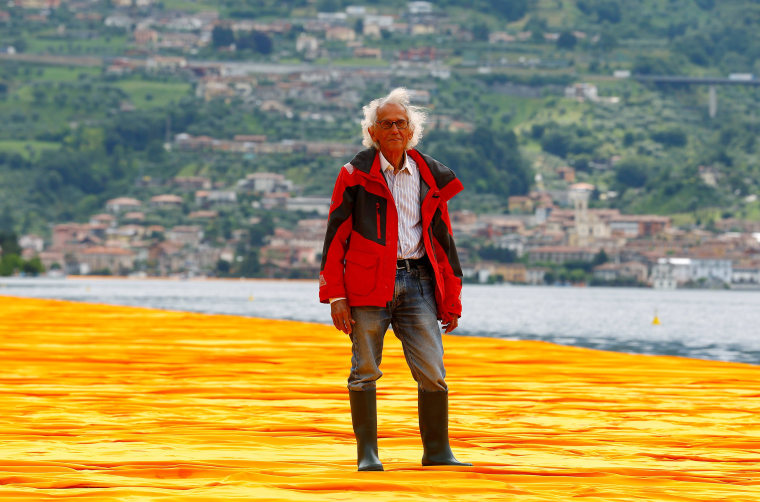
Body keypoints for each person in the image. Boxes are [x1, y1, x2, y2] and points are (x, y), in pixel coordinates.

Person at [319, 88, 471, 471]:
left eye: (400, 123)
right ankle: (368, 455)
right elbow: (335, 237)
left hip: (419, 281)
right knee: (365, 370)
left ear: (411, 130)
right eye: (385, 123)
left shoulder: (429, 176)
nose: (393, 129)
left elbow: (444, 243)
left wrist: (451, 301)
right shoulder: (353, 175)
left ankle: (437, 452)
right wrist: (335, 295)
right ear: (372, 132)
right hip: (368, 286)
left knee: (433, 372)